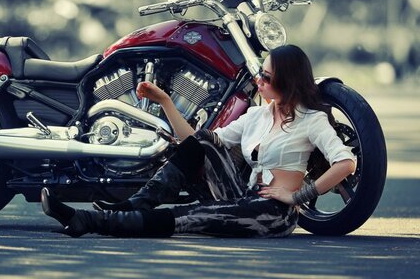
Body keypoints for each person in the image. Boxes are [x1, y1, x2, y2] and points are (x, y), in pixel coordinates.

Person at [41, 44, 357, 238]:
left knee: (191, 217)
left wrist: (298, 196)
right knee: (203, 143)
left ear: (289, 82)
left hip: (272, 213)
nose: (258, 81)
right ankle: (135, 204)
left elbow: (346, 162)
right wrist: (165, 101)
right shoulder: (258, 116)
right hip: (240, 196)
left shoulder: (310, 120)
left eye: (267, 78)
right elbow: (197, 144)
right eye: (259, 73)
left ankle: (88, 221)